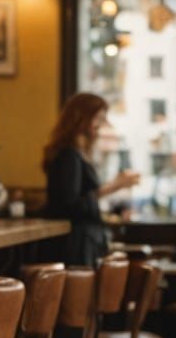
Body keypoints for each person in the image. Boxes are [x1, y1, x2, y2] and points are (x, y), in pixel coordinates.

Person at [41, 92, 140, 267]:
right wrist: (115, 185)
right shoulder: (69, 155)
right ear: (82, 118)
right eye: (99, 118)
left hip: (84, 241)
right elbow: (70, 204)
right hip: (75, 245)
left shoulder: (77, 154)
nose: (102, 124)